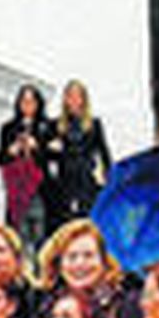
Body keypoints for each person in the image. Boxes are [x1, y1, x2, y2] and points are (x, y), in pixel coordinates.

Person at [44, 79, 112, 230]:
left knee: (87, 219)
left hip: (86, 177)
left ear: (84, 99)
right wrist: (52, 150)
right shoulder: (55, 125)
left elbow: (104, 153)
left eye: (78, 96)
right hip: (64, 180)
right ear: (65, 100)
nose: (74, 100)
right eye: (70, 96)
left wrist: (109, 178)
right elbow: (46, 156)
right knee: (65, 222)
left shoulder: (94, 124)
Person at [0, 83, 54, 257]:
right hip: (17, 191)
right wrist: (11, 151)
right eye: (24, 101)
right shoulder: (8, 128)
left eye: (32, 101)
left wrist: (37, 147)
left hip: (40, 189)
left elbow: (54, 157)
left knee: (40, 237)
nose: (28, 105)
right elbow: (0, 159)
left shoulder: (47, 126)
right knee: (19, 238)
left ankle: (40, 277)